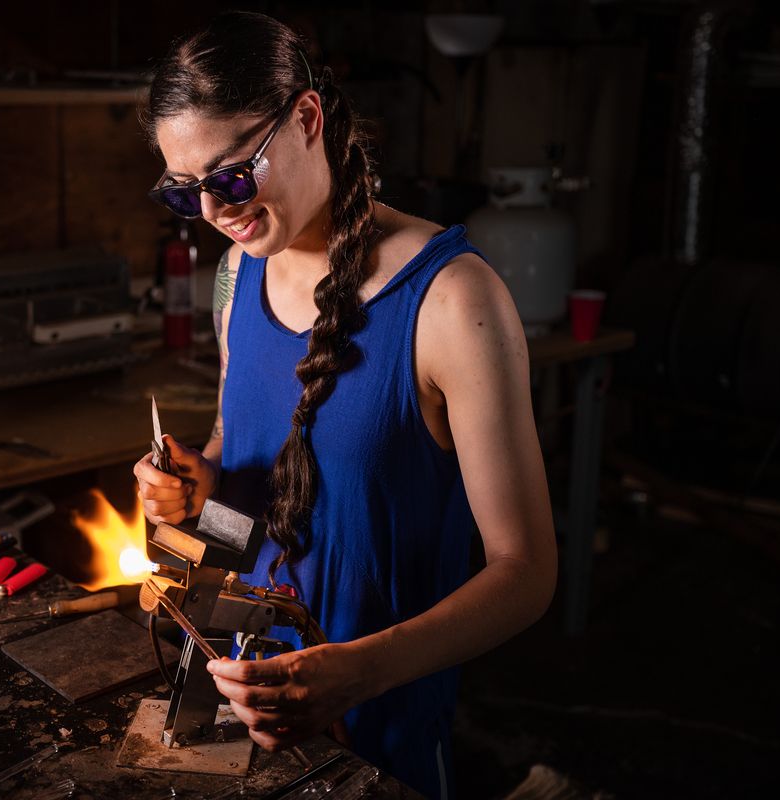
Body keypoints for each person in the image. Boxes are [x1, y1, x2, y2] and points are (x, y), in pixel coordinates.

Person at [133, 11, 556, 798]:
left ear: (306, 119)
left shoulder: (453, 301)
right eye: (185, 193)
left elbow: (526, 572)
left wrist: (357, 673)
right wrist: (199, 487)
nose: (216, 212)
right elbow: (246, 475)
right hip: (240, 707)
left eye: (230, 177)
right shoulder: (236, 276)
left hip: (381, 734)